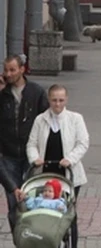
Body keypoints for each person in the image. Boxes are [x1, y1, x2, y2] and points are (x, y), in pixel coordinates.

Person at [26, 85, 89, 247]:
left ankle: (71, 243)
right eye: (54, 100)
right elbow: (31, 143)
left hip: (68, 174)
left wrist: (70, 159)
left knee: (68, 213)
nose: (57, 104)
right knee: (44, 211)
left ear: (66, 100)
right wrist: (35, 158)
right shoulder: (41, 120)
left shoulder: (75, 119)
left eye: (61, 100)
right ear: (49, 100)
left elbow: (83, 143)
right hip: (46, 173)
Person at [0, 56, 48, 233]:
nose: (8, 74)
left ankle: (32, 239)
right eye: (6, 70)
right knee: (14, 203)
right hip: (8, 155)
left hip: (31, 156)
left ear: (22, 69)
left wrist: (42, 153)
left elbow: (45, 121)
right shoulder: (3, 94)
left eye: (12, 70)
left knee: (31, 201)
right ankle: (19, 240)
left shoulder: (35, 92)